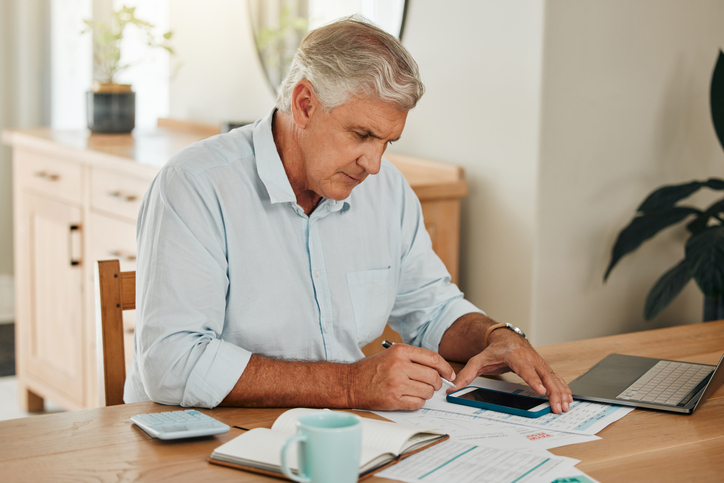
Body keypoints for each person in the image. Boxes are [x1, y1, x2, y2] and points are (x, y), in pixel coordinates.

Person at [124, 16, 573, 414]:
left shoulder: (387, 189)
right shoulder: (195, 184)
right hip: (198, 436)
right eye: (361, 134)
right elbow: (172, 363)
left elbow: (431, 308)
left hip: (335, 430)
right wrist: (350, 384)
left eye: (386, 142)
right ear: (304, 104)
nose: (374, 164)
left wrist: (496, 335)